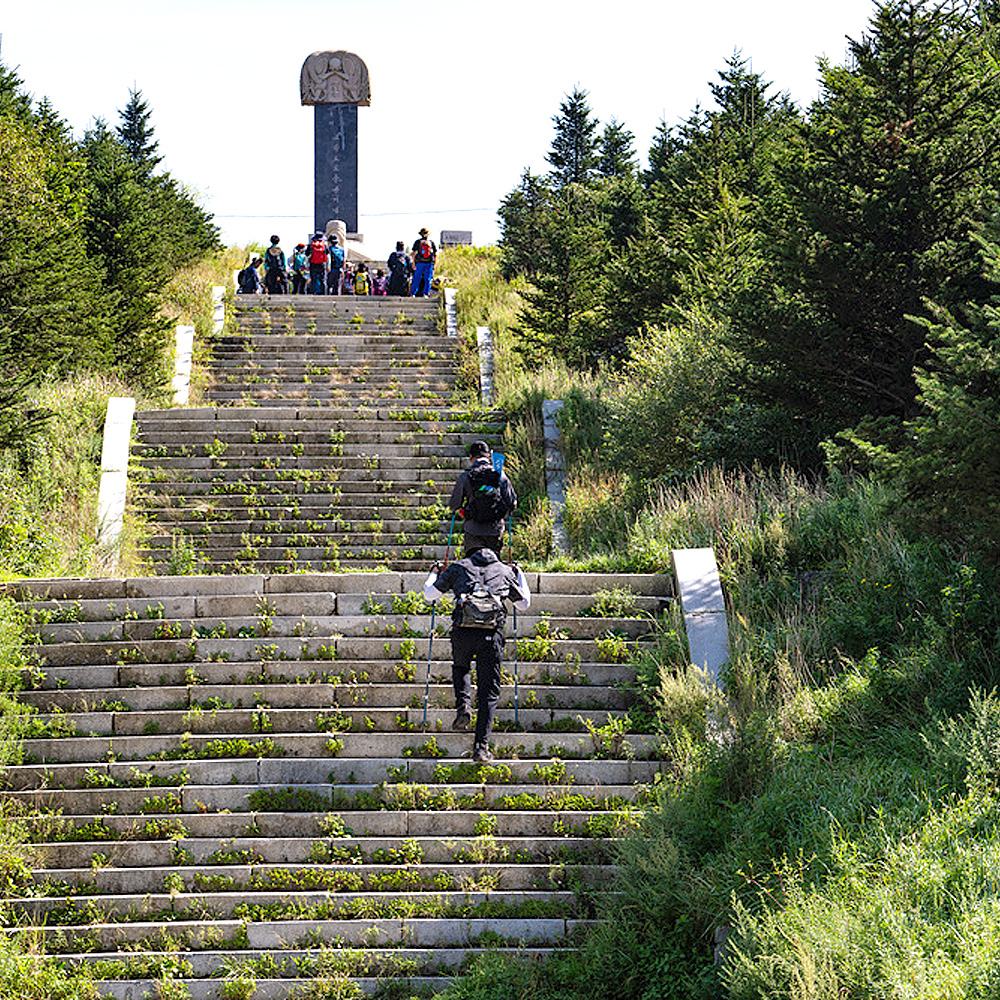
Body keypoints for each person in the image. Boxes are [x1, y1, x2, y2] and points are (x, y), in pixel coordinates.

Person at [423, 549, 531, 763]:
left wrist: (434, 573)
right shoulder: (504, 571)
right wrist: (520, 575)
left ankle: (463, 707)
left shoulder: (458, 567)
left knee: (461, 667)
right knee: (488, 692)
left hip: (463, 631)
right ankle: (481, 748)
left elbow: (429, 594)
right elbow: (524, 604)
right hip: (491, 635)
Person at [449, 441, 517, 558]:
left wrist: (463, 513)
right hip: (494, 530)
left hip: (473, 530)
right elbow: (512, 503)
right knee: (494, 567)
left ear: (471, 456)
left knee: (472, 567)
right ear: (489, 456)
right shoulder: (500, 474)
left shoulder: (465, 476)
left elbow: (454, 505)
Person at [410, 227, 437, 297]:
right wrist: (434, 263)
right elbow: (435, 254)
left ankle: (413, 293)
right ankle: (426, 293)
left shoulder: (417, 242)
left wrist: (413, 264)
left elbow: (413, 253)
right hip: (429, 263)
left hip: (420, 262)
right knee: (428, 279)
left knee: (417, 278)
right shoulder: (431, 242)